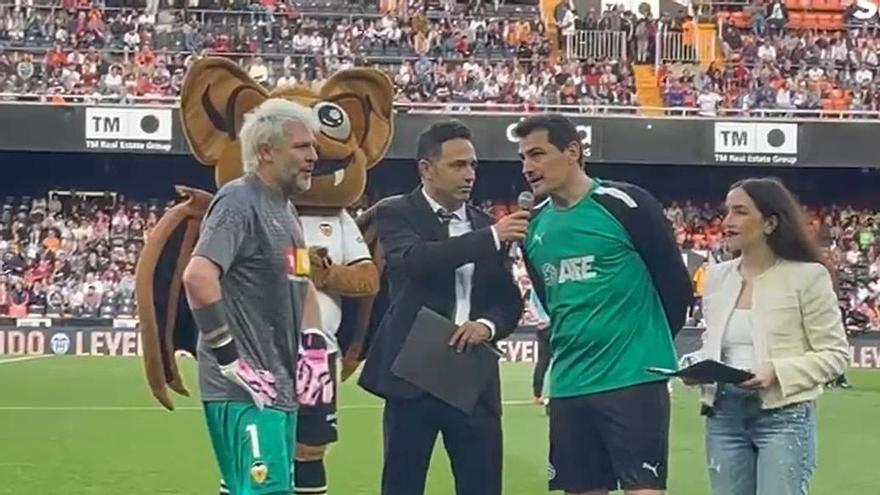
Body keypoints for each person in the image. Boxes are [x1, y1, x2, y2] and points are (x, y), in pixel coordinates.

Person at [513, 113, 693, 495]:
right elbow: (553, 302)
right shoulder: (533, 228)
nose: (528, 167)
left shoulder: (625, 204)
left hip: (633, 380)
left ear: (573, 152)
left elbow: (676, 287)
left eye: (538, 154)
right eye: (523, 157)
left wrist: (643, 346)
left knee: (643, 490)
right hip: (569, 385)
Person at [358, 120, 527, 495]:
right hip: (414, 373)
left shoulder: (483, 224)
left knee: (482, 486)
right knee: (402, 485)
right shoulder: (397, 212)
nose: (469, 175)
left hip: (473, 375)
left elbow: (508, 300)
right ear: (426, 169)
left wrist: (487, 325)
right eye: (458, 165)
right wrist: (493, 237)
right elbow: (415, 261)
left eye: (472, 165)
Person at [181, 98, 325, 495]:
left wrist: (313, 346)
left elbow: (303, 283)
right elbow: (198, 277)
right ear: (265, 152)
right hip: (243, 391)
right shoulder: (238, 201)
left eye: (313, 146)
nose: (314, 155)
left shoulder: (287, 211)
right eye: (302, 147)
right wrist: (230, 359)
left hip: (278, 387)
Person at [684, 178, 848, 495]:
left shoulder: (808, 276)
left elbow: (835, 354)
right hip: (723, 415)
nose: (727, 222)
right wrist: (695, 367)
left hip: (784, 416)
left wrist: (776, 372)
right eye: (727, 211)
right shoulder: (717, 277)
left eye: (740, 212)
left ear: (770, 222)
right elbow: (714, 345)